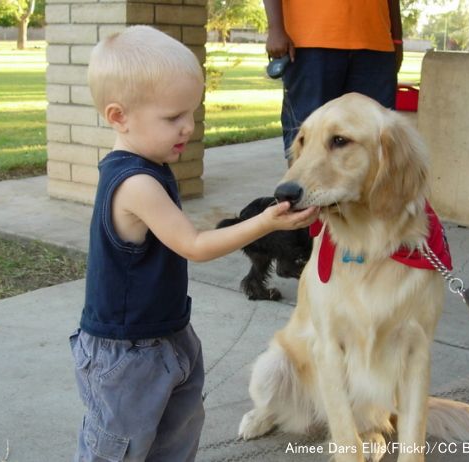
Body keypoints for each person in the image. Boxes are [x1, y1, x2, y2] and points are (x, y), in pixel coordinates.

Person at [69, 25, 318, 462]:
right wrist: (264, 222)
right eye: (172, 118)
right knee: (120, 450)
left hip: (167, 334)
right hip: (126, 352)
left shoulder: (152, 164)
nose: (188, 127)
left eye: (192, 113)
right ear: (118, 116)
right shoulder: (136, 182)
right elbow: (195, 245)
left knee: (175, 440)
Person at [263, 0, 403, 161]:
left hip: (376, 42)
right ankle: (304, 186)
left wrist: (397, 38)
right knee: (307, 140)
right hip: (310, 41)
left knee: (376, 142)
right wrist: (275, 29)